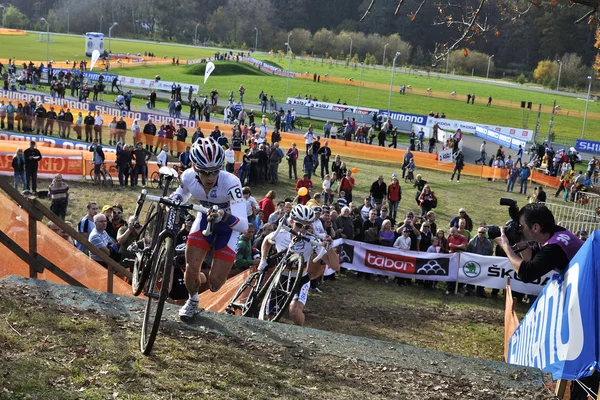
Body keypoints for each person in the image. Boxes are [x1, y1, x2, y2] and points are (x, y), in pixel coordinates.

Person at [175, 138, 248, 320]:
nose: (210, 177)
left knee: (216, 283)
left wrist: (224, 215)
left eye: (215, 171)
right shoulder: (188, 176)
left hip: (228, 228)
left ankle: (200, 276)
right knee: (191, 269)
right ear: (194, 167)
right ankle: (192, 300)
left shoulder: (231, 182)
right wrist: (175, 199)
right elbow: (183, 193)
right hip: (203, 220)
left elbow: (243, 225)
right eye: (205, 172)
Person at [259, 205, 335, 326]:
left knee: (294, 312)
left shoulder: (311, 239)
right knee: (271, 316)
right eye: (299, 225)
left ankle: (299, 335)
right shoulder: (281, 233)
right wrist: (263, 259)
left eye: (306, 227)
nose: (302, 230)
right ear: (291, 222)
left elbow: (333, 264)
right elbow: (266, 241)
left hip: (300, 280)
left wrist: (328, 247)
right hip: (281, 278)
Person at [493, 203, 583, 284]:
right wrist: (523, 246)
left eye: (521, 226)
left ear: (535, 228)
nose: (519, 230)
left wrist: (505, 246)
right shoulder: (551, 235)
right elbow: (532, 258)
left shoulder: (555, 246)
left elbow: (527, 274)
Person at [465, 227, 493, 297]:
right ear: (477, 232)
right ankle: (469, 290)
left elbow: (490, 252)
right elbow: (468, 250)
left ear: (485, 233)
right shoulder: (472, 241)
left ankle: (480, 291)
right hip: (473, 262)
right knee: (471, 275)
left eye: (482, 232)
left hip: (483, 263)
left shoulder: (489, 243)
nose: (481, 234)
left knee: (481, 277)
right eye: (479, 232)